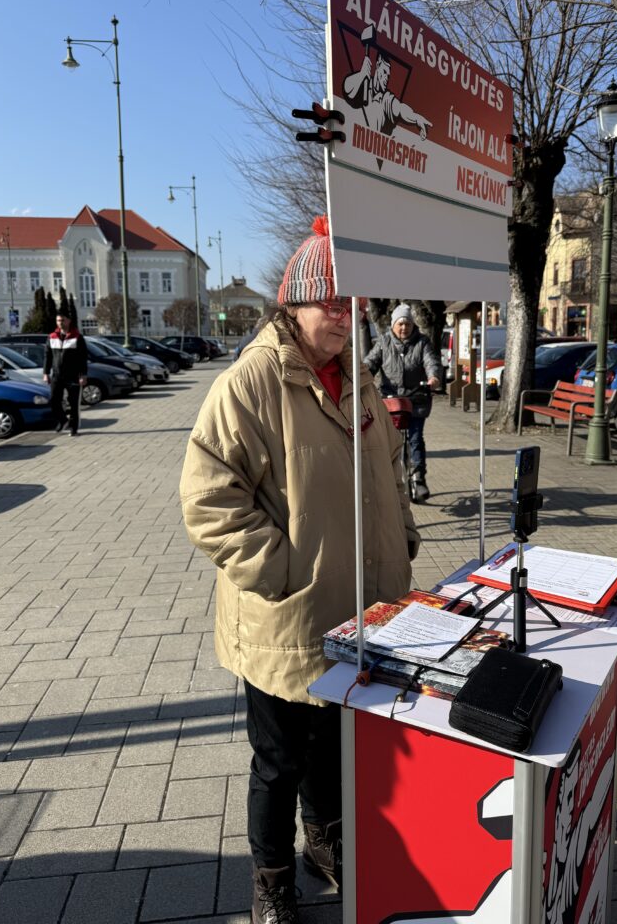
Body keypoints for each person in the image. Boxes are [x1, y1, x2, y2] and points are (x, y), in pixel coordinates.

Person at [180, 215, 419, 924]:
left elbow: (390, 467)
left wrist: (403, 533)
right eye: (330, 303)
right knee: (279, 760)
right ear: (294, 304)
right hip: (287, 616)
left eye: (353, 305)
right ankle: (271, 880)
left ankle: (324, 842)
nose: (344, 317)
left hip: (362, 608)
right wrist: (282, 573)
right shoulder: (253, 381)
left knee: (334, 747)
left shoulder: (359, 378)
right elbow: (208, 496)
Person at [364, 304, 442, 502]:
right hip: (392, 401)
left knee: (415, 438)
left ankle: (418, 477)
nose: (404, 327)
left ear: (413, 325)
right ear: (393, 325)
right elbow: (371, 362)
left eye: (407, 323)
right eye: (400, 324)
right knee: (389, 441)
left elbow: (431, 361)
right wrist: (362, 374)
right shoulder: (384, 342)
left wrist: (433, 377)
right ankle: (388, 478)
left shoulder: (422, 342)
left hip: (416, 399)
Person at [43, 314, 87, 437]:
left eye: (63, 320)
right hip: (57, 375)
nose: (60, 323)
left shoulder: (77, 337)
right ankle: (63, 420)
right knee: (54, 400)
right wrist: (46, 373)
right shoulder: (51, 337)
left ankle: (74, 427)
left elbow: (83, 358)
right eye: (58, 320)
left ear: (69, 321)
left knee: (73, 403)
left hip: (73, 375)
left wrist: (83, 375)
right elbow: (47, 356)